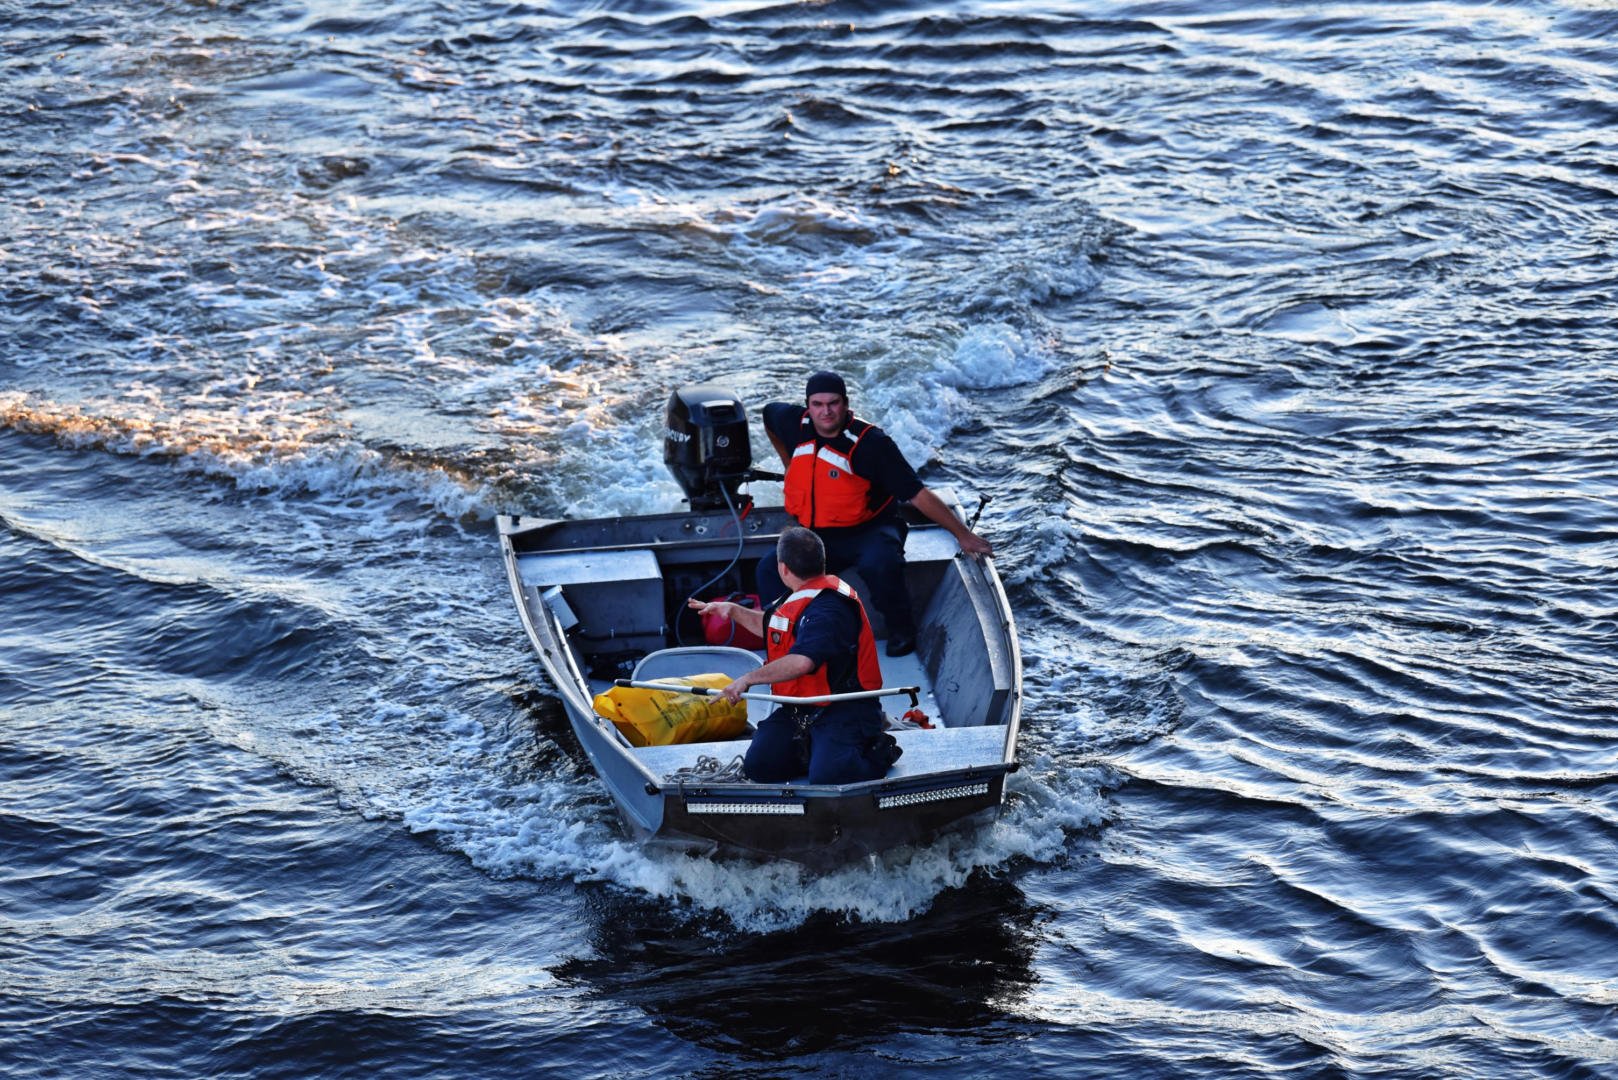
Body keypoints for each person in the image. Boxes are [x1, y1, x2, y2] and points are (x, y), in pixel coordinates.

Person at [755, 370, 992, 657]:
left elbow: (917, 493)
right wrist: (789, 463)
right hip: (817, 534)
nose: (825, 412)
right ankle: (786, 638)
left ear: (846, 404)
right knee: (769, 569)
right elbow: (768, 415)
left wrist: (963, 535)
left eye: (833, 403)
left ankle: (902, 630)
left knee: (879, 564)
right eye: (817, 404)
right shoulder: (793, 422)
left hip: (870, 528)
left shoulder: (872, 444)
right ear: (808, 406)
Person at [688, 526, 901, 785]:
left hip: (844, 708)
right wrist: (731, 611)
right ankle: (816, 750)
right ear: (821, 561)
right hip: (800, 707)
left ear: (783, 568)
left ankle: (878, 751)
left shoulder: (829, 608)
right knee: (760, 767)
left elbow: (802, 661)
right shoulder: (798, 596)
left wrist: (747, 679)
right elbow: (773, 629)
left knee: (829, 776)